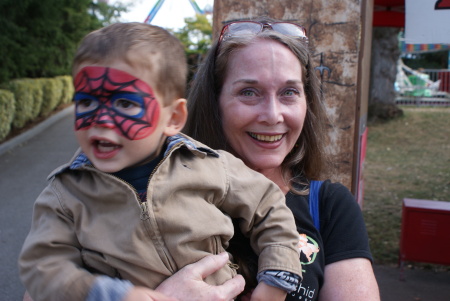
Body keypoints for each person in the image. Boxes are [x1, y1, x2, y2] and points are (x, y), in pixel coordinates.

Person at [18, 22, 303, 301]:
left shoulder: (209, 165)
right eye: (87, 103)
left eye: (125, 103)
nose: (100, 121)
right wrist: (113, 295)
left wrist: (278, 277)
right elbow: (42, 268)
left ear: (173, 118)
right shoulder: (65, 194)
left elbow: (269, 207)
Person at [184, 17, 381, 301]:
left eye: (289, 92)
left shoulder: (329, 207)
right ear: (214, 103)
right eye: (249, 92)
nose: (273, 115)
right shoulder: (164, 200)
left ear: (306, 103)